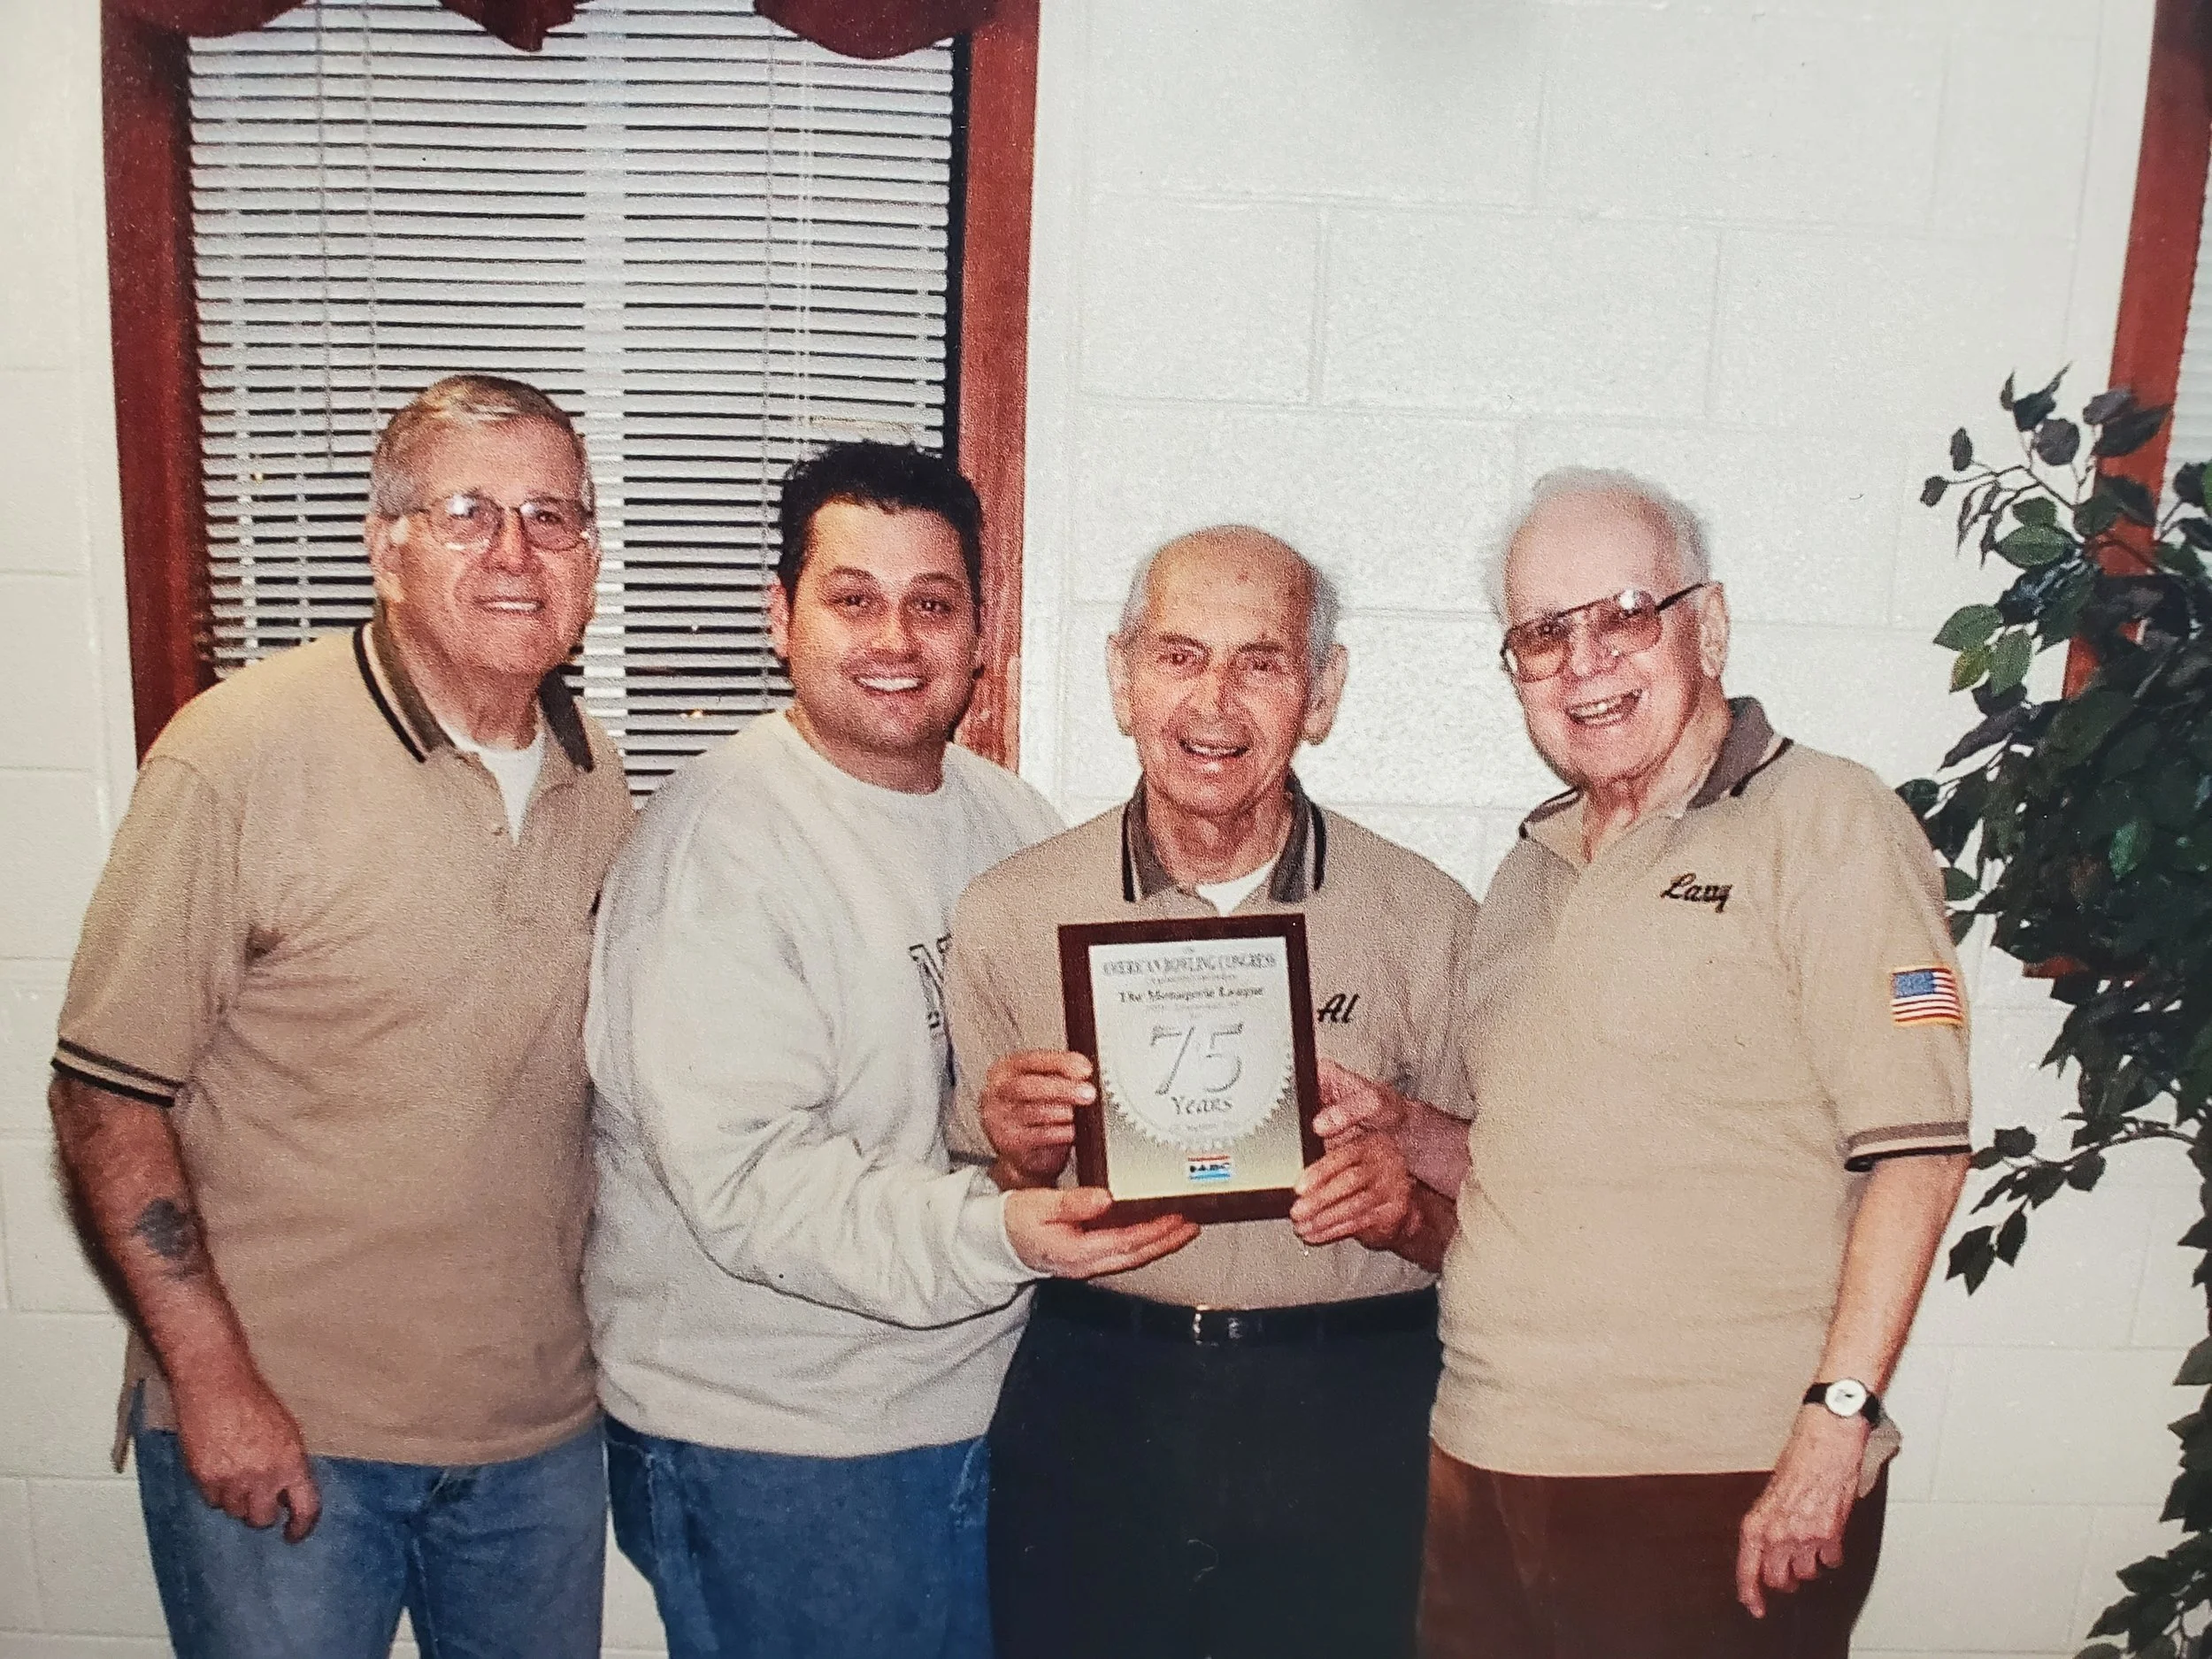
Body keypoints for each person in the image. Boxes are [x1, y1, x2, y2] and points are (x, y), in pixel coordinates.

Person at [47, 374, 634, 1659]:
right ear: (387, 545)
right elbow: (103, 1093)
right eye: (471, 510)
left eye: (555, 515)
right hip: (293, 1430)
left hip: (535, 1439)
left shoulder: (605, 779)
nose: (517, 552)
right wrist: (209, 1381)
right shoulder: (241, 752)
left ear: (592, 553)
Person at [584, 440, 1196, 1659]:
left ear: (984, 626)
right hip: (787, 1441)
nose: (896, 639)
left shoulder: (1005, 817)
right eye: (852, 598)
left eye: (932, 602)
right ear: (782, 616)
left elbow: (1052, 1089)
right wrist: (1000, 1229)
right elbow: (751, 1183)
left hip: (979, 1400)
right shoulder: (721, 840)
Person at [1417, 468, 1972, 1658]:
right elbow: (1536, 1153)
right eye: (1541, 633)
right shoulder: (1527, 870)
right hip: (1485, 1453)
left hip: (1716, 1475)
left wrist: (1835, 1425)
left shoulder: (1828, 820)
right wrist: (1398, 1129)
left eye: (1624, 611)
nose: (1585, 660)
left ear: (1706, 623)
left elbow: (1920, 1155)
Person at [946, 524, 1482, 1659]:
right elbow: (985, 1200)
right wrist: (1016, 1154)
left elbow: (1492, 1222)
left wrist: (1408, 1210)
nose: (1214, 704)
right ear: (1121, 676)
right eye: (1179, 656)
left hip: (1356, 1405)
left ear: (1321, 692)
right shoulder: (1008, 913)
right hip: (1101, 1390)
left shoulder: (1428, 919)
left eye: (1262, 661)